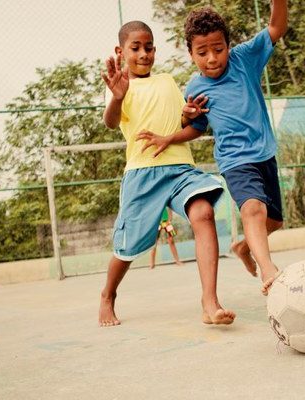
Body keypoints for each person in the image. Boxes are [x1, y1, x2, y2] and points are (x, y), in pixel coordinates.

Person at [98, 20, 235, 327]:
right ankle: (108, 294)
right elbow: (110, 122)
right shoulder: (120, 85)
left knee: (203, 213)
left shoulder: (167, 82)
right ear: (121, 51)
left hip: (180, 168)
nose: (143, 54)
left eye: (148, 47)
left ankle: (209, 302)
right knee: (126, 247)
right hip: (143, 173)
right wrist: (117, 97)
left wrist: (189, 115)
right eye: (135, 48)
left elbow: (182, 125)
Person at [151, 2, 288, 295]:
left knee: (274, 221)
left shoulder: (245, 59)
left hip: (264, 152)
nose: (212, 58)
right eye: (202, 53)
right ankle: (269, 270)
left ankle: (244, 247)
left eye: (218, 49)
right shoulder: (195, 89)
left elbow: (277, 27)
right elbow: (197, 127)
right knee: (253, 208)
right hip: (234, 160)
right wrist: (175, 131)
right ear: (191, 54)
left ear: (228, 45)